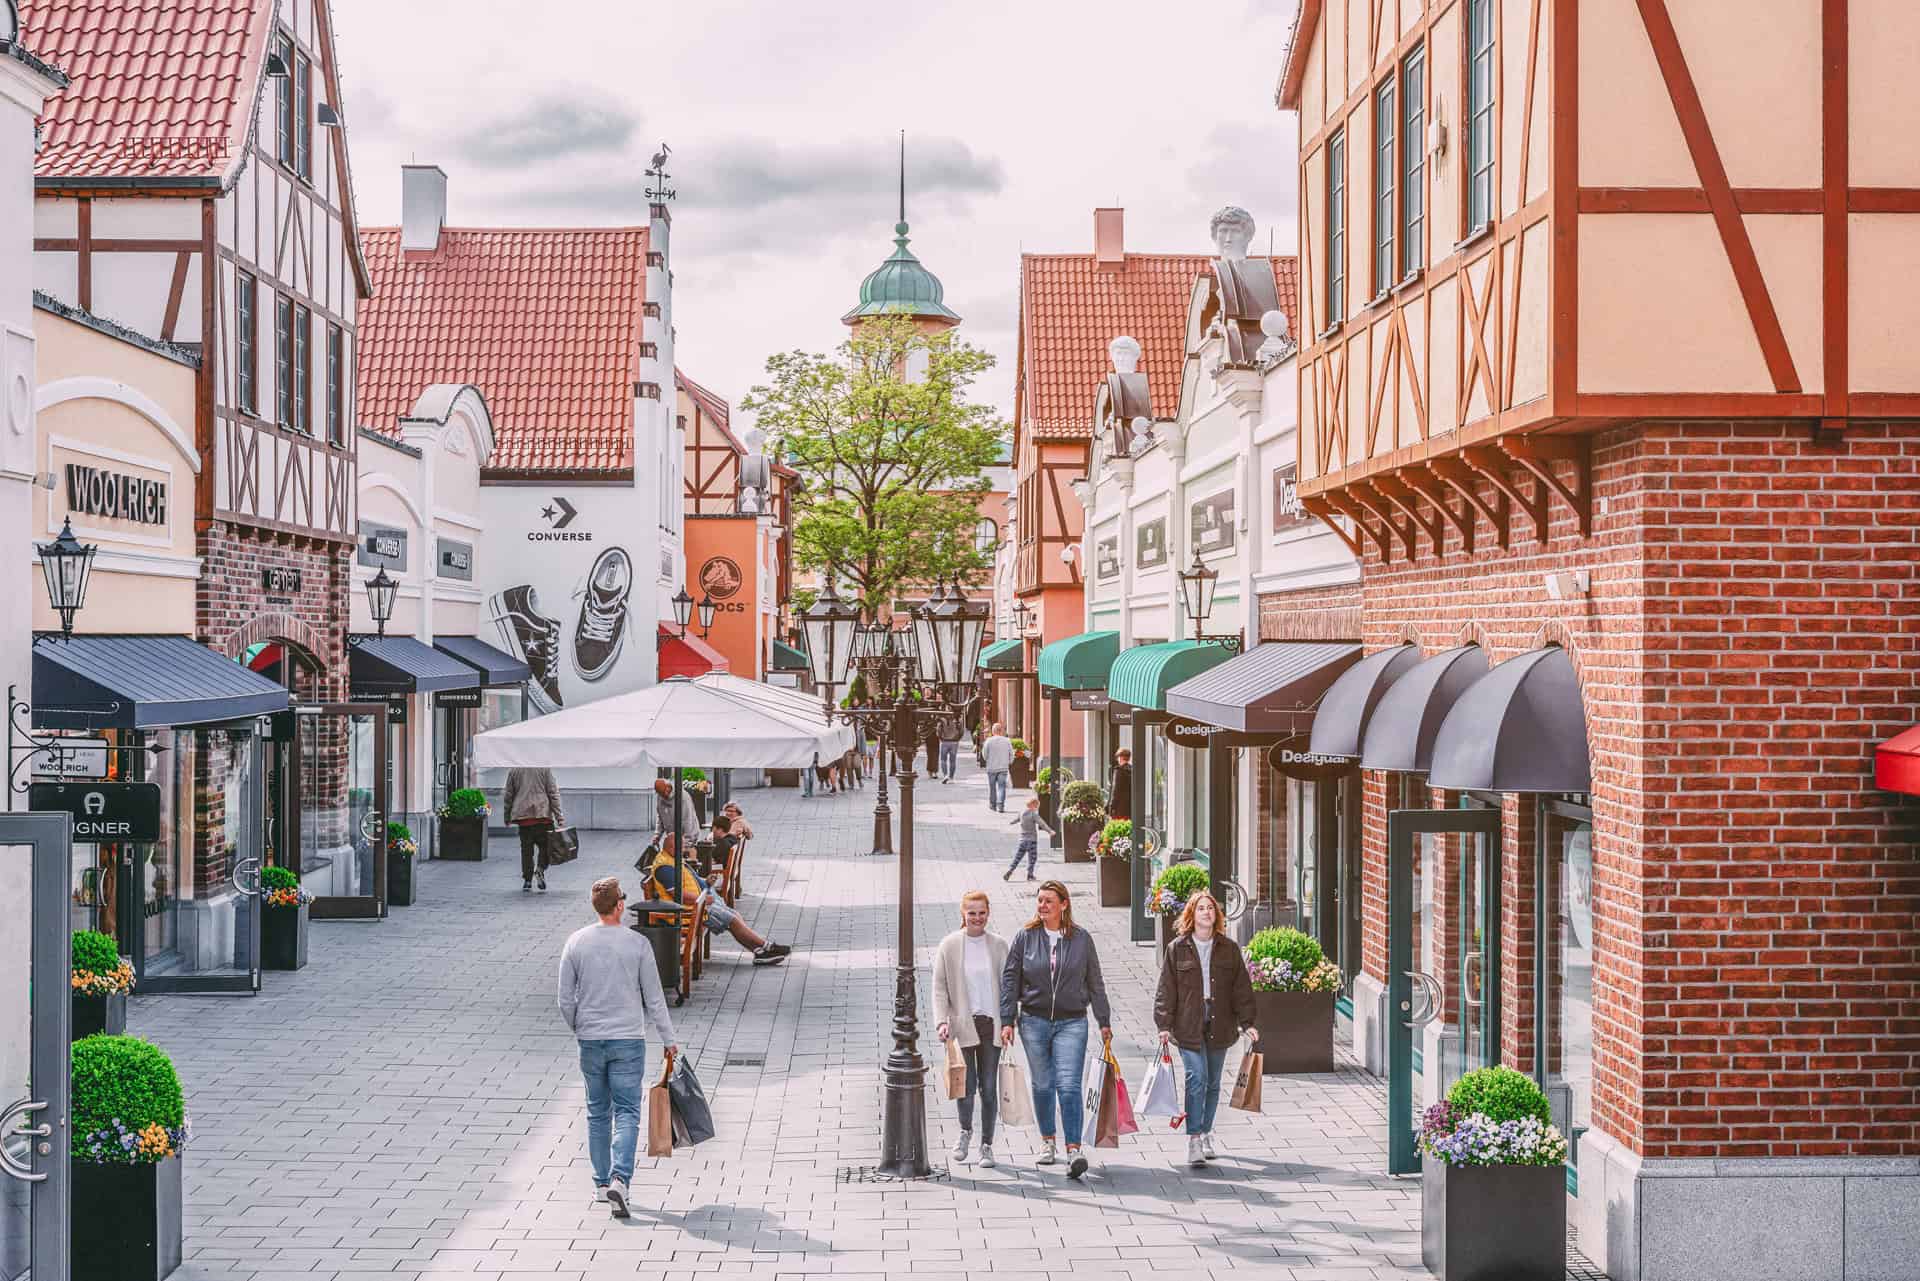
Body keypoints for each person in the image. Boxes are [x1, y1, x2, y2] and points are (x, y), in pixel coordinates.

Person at [558, 876, 678, 1218]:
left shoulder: (576, 942)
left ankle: (599, 1183)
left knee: (598, 1110)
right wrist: (669, 1040)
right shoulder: (637, 944)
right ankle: (620, 1179)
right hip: (628, 1038)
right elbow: (655, 999)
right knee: (627, 1111)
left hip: (591, 1040)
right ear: (620, 905)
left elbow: (565, 999)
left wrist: (579, 1026)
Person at [999, 880, 1112, 1179]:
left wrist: (1104, 1020)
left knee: (1070, 1085)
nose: (1043, 905)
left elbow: (1095, 982)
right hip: (1033, 1021)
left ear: (1064, 905)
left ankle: (1074, 1148)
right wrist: (1007, 1019)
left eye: (1049, 900)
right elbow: (1010, 979)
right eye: (1040, 901)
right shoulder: (1025, 937)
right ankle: (1048, 1141)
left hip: (1072, 1021)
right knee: (1043, 1084)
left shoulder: (1081, 939)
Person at [1154, 890, 1258, 1166]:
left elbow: (1241, 989)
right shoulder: (1177, 948)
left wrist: (1248, 1023)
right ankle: (1194, 1138)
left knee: (1213, 1083)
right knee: (1196, 1077)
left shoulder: (1229, 948)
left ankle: (1207, 1130)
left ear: (1217, 915)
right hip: (1187, 1023)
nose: (1206, 912)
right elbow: (1166, 989)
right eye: (1201, 908)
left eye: (1210, 909)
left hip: (1220, 1021)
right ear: (1192, 914)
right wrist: (1163, 1024)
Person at [932, 891, 1009, 1167]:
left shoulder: (999, 945)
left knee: (988, 1087)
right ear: (963, 914)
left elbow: (1009, 988)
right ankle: (965, 1131)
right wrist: (942, 1021)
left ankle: (986, 1145)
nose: (977, 918)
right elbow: (939, 987)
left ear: (988, 913)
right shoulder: (950, 945)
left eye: (982, 912)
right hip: (963, 1024)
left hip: (992, 1025)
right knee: (965, 1083)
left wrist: (1010, 1022)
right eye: (972, 913)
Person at [648, 835, 792, 965]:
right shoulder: (665, 867)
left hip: (699, 903)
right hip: (691, 911)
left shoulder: (672, 859)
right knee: (732, 919)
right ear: (672, 847)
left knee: (734, 915)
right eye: (682, 847)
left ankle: (760, 951)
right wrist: (703, 899)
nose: (685, 850)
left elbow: (689, 881)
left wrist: (706, 882)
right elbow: (678, 895)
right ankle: (766, 947)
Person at [504, 766, 564, 893]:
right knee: (547, 847)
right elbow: (553, 793)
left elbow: (509, 794)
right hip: (543, 816)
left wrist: (507, 815)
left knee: (526, 850)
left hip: (524, 818)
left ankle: (527, 880)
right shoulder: (544, 769)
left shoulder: (515, 770)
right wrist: (559, 817)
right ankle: (540, 869)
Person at [1002, 795, 1054, 882]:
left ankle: (1010, 870)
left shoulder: (1021, 812)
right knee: (1032, 858)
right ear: (1033, 805)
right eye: (1037, 806)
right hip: (1032, 841)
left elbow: (1017, 819)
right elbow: (1042, 824)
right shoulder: (1033, 814)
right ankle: (1030, 875)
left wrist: (1011, 822)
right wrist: (1050, 831)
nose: (1037, 808)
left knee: (1017, 858)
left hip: (1022, 840)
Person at [652, 777, 700, 848]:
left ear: (668, 786)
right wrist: (657, 836)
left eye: (663, 792)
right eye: (660, 793)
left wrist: (687, 842)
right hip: (673, 838)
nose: (663, 795)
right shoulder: (661, 796)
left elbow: (688, 820)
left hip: (687, 838)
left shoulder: (683, 797)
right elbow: (660, 817)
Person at [981, 723, 1014, 813]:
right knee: (1001, 787)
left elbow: (984, 754)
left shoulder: (988, 741)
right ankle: (1001, 806)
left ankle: (992, 805)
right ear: (1001, 731)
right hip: (1003, 768)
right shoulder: (1007, 741)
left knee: (992, 787)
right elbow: (1011, 754)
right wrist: (1009, 762)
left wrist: (988, 760)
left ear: (993, 731)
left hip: (991, 767)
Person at [1107, 748, 1133, 822]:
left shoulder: (1119, 771)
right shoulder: (1132, 770)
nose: (1117, 759)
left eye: (1118, 757)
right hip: (1129, 808)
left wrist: (1111, 807)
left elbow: (1115, 791)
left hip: (1119, 808)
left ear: (1121, 757)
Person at [938, 717, 963, 783]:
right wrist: (957, 739)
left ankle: (945, 775)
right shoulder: (958, 719)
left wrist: (941, 738)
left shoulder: (942, 719)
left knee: (943, 760)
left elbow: (938, 730)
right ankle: (951, 777)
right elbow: (961, 731)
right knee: (953, 761)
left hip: (945, 741)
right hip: (954, 742)